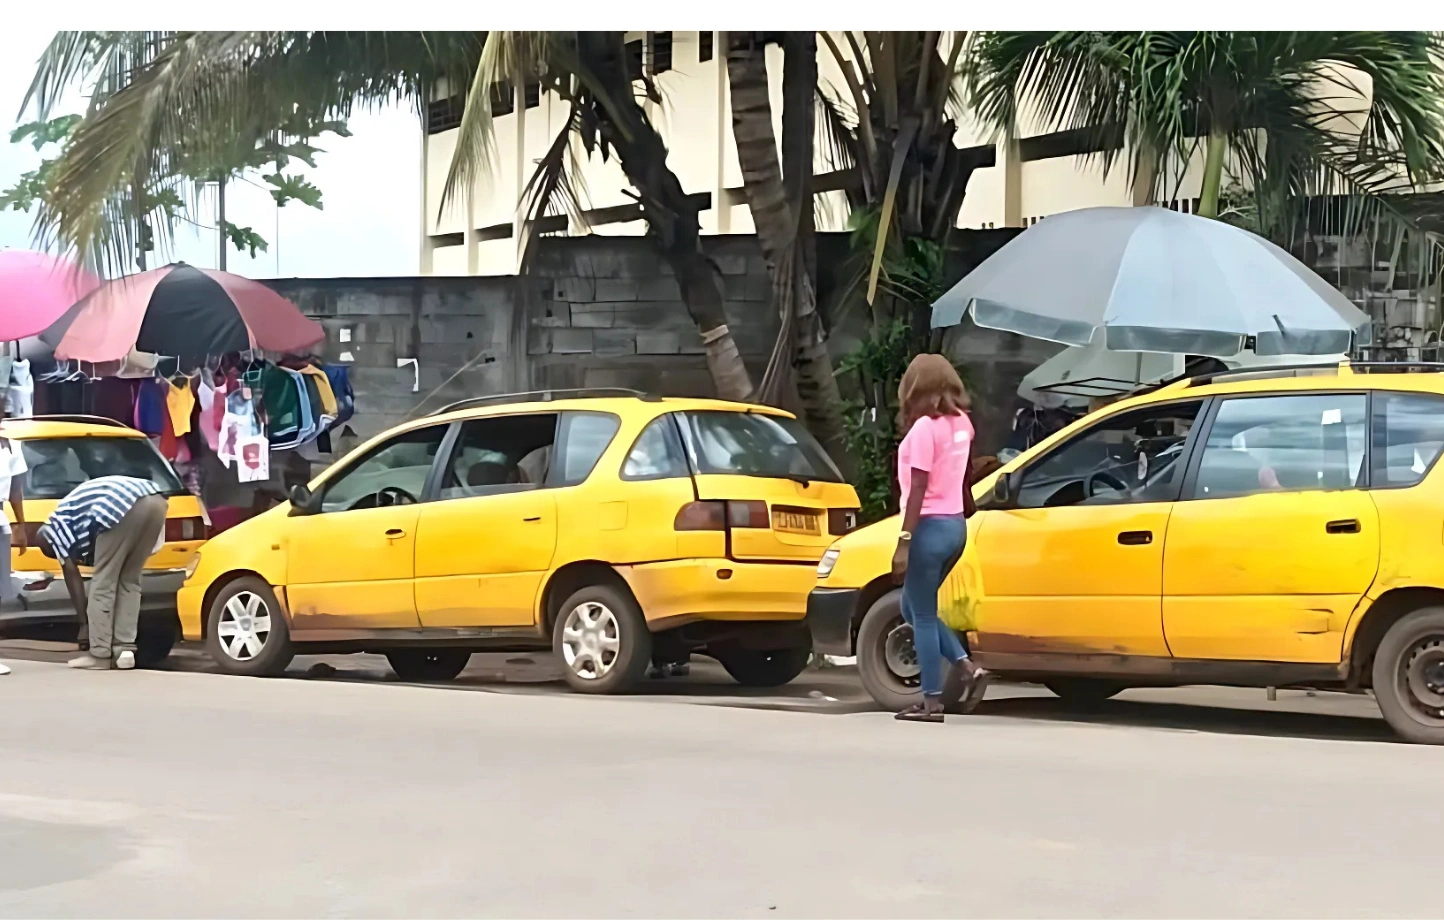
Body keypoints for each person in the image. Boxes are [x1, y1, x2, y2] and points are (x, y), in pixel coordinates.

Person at [891, 354, 991, 722]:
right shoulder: (962, 424)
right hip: (956, 528)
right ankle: (966, 666)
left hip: (929, 527)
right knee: (912, 608)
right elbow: (963, 476)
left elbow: (918, 486)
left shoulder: (923, 430)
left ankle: (931, 701)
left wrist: (904, 540)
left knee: (924, 615)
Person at [36, 475, 166, 671]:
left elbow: (73, 577)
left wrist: (84, 624)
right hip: (156, 501)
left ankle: (99, 654)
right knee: (129, 580)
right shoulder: (74, 520)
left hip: (120, 505)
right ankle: (124, 650)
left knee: (104, 581)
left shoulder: (54, 531)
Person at [0, 407, 27, 676]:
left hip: (0, 520)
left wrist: (20, 524)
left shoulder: (10, 446)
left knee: (0, 588)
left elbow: (16, 489)